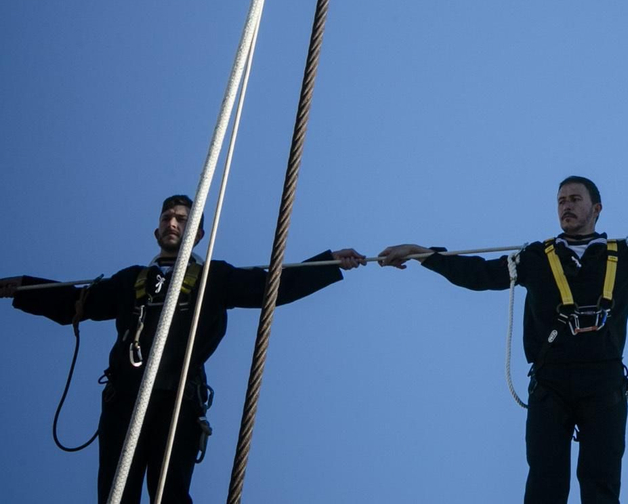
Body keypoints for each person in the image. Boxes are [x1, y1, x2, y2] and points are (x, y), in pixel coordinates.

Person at [378, 175, 628, 504]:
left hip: (603, 382)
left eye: (575, 199)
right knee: (545, 482)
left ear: (596, 208)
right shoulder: (535, 258)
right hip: (551, 382)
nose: (566, 206)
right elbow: (478, 274)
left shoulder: (624, 255)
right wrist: (422, 254)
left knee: (601, 482)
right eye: (561, 201)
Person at [0, 194, 364, 504]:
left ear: (199, 234)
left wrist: (328, 264)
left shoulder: (214, 277)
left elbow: (273, 286)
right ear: (157, 231)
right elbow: (76, 303)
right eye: (166, 218)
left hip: (179, 399)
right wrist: (23, 288)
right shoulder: (130, 281)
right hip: (125, 398)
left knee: (170, 495)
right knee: (115, 494)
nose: (172, 223)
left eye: (182, 219)